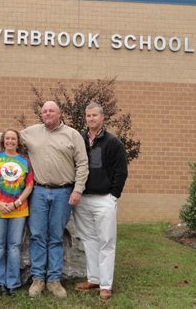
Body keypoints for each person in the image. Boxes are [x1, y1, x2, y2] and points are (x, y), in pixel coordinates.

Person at [0, 101, 89, 299]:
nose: (47, 113)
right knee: (37, 236)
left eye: (51, 110)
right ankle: (38, 279)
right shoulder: (32, 132)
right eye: (44, 111)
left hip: (63, 192)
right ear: (41, 115)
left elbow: (83, 164)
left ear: (59, 113)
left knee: (56, 236)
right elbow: (8, 136)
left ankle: (54, 280)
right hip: (39, 192)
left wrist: (78, 190)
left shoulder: (72, 135)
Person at [73, 102, 128, 301]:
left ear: (102, 117)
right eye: (88, 116)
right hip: (83, 199)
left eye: (94, 115)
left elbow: (121, 171)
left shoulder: (113, 143)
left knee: (107, 242)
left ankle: (106, 285)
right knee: (89, 240)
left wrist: (113, 195)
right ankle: (94, 279)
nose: (91, 119)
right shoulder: (79, 139)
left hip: (104, 199)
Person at [0, 129, 34, 296]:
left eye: (13, 138)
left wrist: (16, 202)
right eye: (7, 138)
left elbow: (29, 185)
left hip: (18, 210)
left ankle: (12, 282)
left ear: (17, 141)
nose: (10, 141)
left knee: (14, 246)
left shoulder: (24, 161)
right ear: (3, 141)